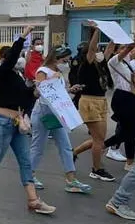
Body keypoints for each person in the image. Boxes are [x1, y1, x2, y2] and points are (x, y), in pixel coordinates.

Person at [0, 26, 56, 215]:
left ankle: (33, 200)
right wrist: (23, 37)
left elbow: (25, 98)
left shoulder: (17, 76)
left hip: (17, 124)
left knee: (25, 161)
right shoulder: (4, 73)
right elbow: (12, 56)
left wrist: (36, 91)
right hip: (3, 123)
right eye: (18, 57)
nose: (21, 59)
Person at [29, 46, 92, 193]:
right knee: (38, 146)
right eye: (65, 59)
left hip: (57, 114)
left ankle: (71, 179)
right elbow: (37, 93)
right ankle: (29, 175)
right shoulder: (43, 72)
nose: (67, 61)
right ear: (57, 57)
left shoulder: (57, 72)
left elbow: (57, 93)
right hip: (43, 113)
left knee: (65, 146)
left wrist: (70, 90)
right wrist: (48, 81)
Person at [72, 22, 115, 182]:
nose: (99, 52)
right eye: (97, 50)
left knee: (99, 138)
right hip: (89, 102)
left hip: (101, 101)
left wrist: (114, 34)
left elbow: (110, 48)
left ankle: (74, 152)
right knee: (99, 140)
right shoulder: (87, 64)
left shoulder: (102, 63)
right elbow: (91, 49)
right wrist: (97, 30)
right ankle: (97, 169)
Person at [104, 28, 135, 171]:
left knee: (127, 131)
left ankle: (101, 145)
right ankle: (129, 162)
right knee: (130, 131)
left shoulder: (126, 63)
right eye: (121, 48)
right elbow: (131, 47)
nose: (125, 50)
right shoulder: (113, 62)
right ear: (115, 51)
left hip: (131, 97)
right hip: (122, 98)